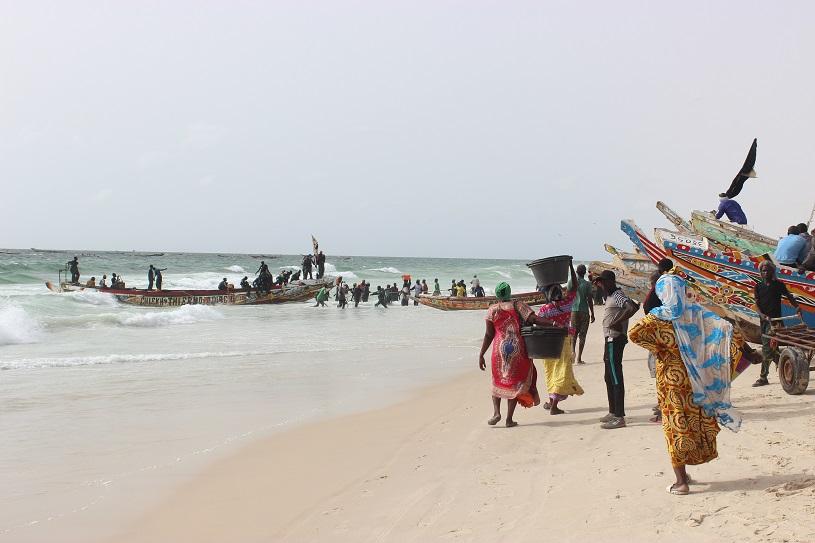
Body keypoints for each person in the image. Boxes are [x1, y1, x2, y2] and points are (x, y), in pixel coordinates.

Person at [629, 271, 749, 496]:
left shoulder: (658, 318)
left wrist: (659, 347)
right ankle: (686, 473)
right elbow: (733, 334)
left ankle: (681, 482)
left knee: (675, 427)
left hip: (672, 381)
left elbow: (634, 334)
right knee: (694, 421)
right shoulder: (696, 314)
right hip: (697, 378)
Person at [479, 282, 552, 427]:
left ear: (497, 294)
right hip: (517, 349)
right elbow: (535, 320)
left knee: (498, 381)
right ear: (509, 292)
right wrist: (553, 324)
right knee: (513, 385)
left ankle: (496, 412)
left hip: (498, 350)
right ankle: (509, 419)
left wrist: (481, 354)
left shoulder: (492, 309)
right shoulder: (519, 305)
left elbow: (488, 335)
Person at [535, 263, 585, 415]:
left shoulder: (544, 310)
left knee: (551, 372)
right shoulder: (568, 304)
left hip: (548, 344)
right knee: (562, 371)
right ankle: (554, 406)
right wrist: (570, 266)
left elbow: (537, 325)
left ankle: (551, 402)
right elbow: (574, 287)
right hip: (563, 341)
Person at [593, 270, 639, 429]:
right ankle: (613, 411)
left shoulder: (618, 295)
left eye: (603, 282)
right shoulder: (610, 296)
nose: (602, 285)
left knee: (615, 376)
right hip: (609, 339)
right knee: (608, 376)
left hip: (615, 338)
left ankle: (619, 417)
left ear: (611, 282)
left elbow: (632, 307)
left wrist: (616, 322)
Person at [753, 260, 802, 386]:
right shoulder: (758, 287)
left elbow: (789, 296)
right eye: (763, 271)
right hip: (765, 322)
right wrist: (762, 315)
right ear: (761, 272)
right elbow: (756, 304)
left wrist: (797, 307)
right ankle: (779, 367)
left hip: (777, 322)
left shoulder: (779, 285)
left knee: (768, 348)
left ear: (772, 272)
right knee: (770, 348)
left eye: (768, 270)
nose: (765, 272)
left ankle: (764, 377)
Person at [570, 264, 595, 365]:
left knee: (574, 335)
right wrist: (592, 313)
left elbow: (568, 295)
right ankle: (579, 358)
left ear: (576, 272)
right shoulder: (587, 284)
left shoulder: (571, 282)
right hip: (584, 311)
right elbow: (589, 300)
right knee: (582, 335)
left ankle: (572, 353)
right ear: (584, 273)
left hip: (574, 311)